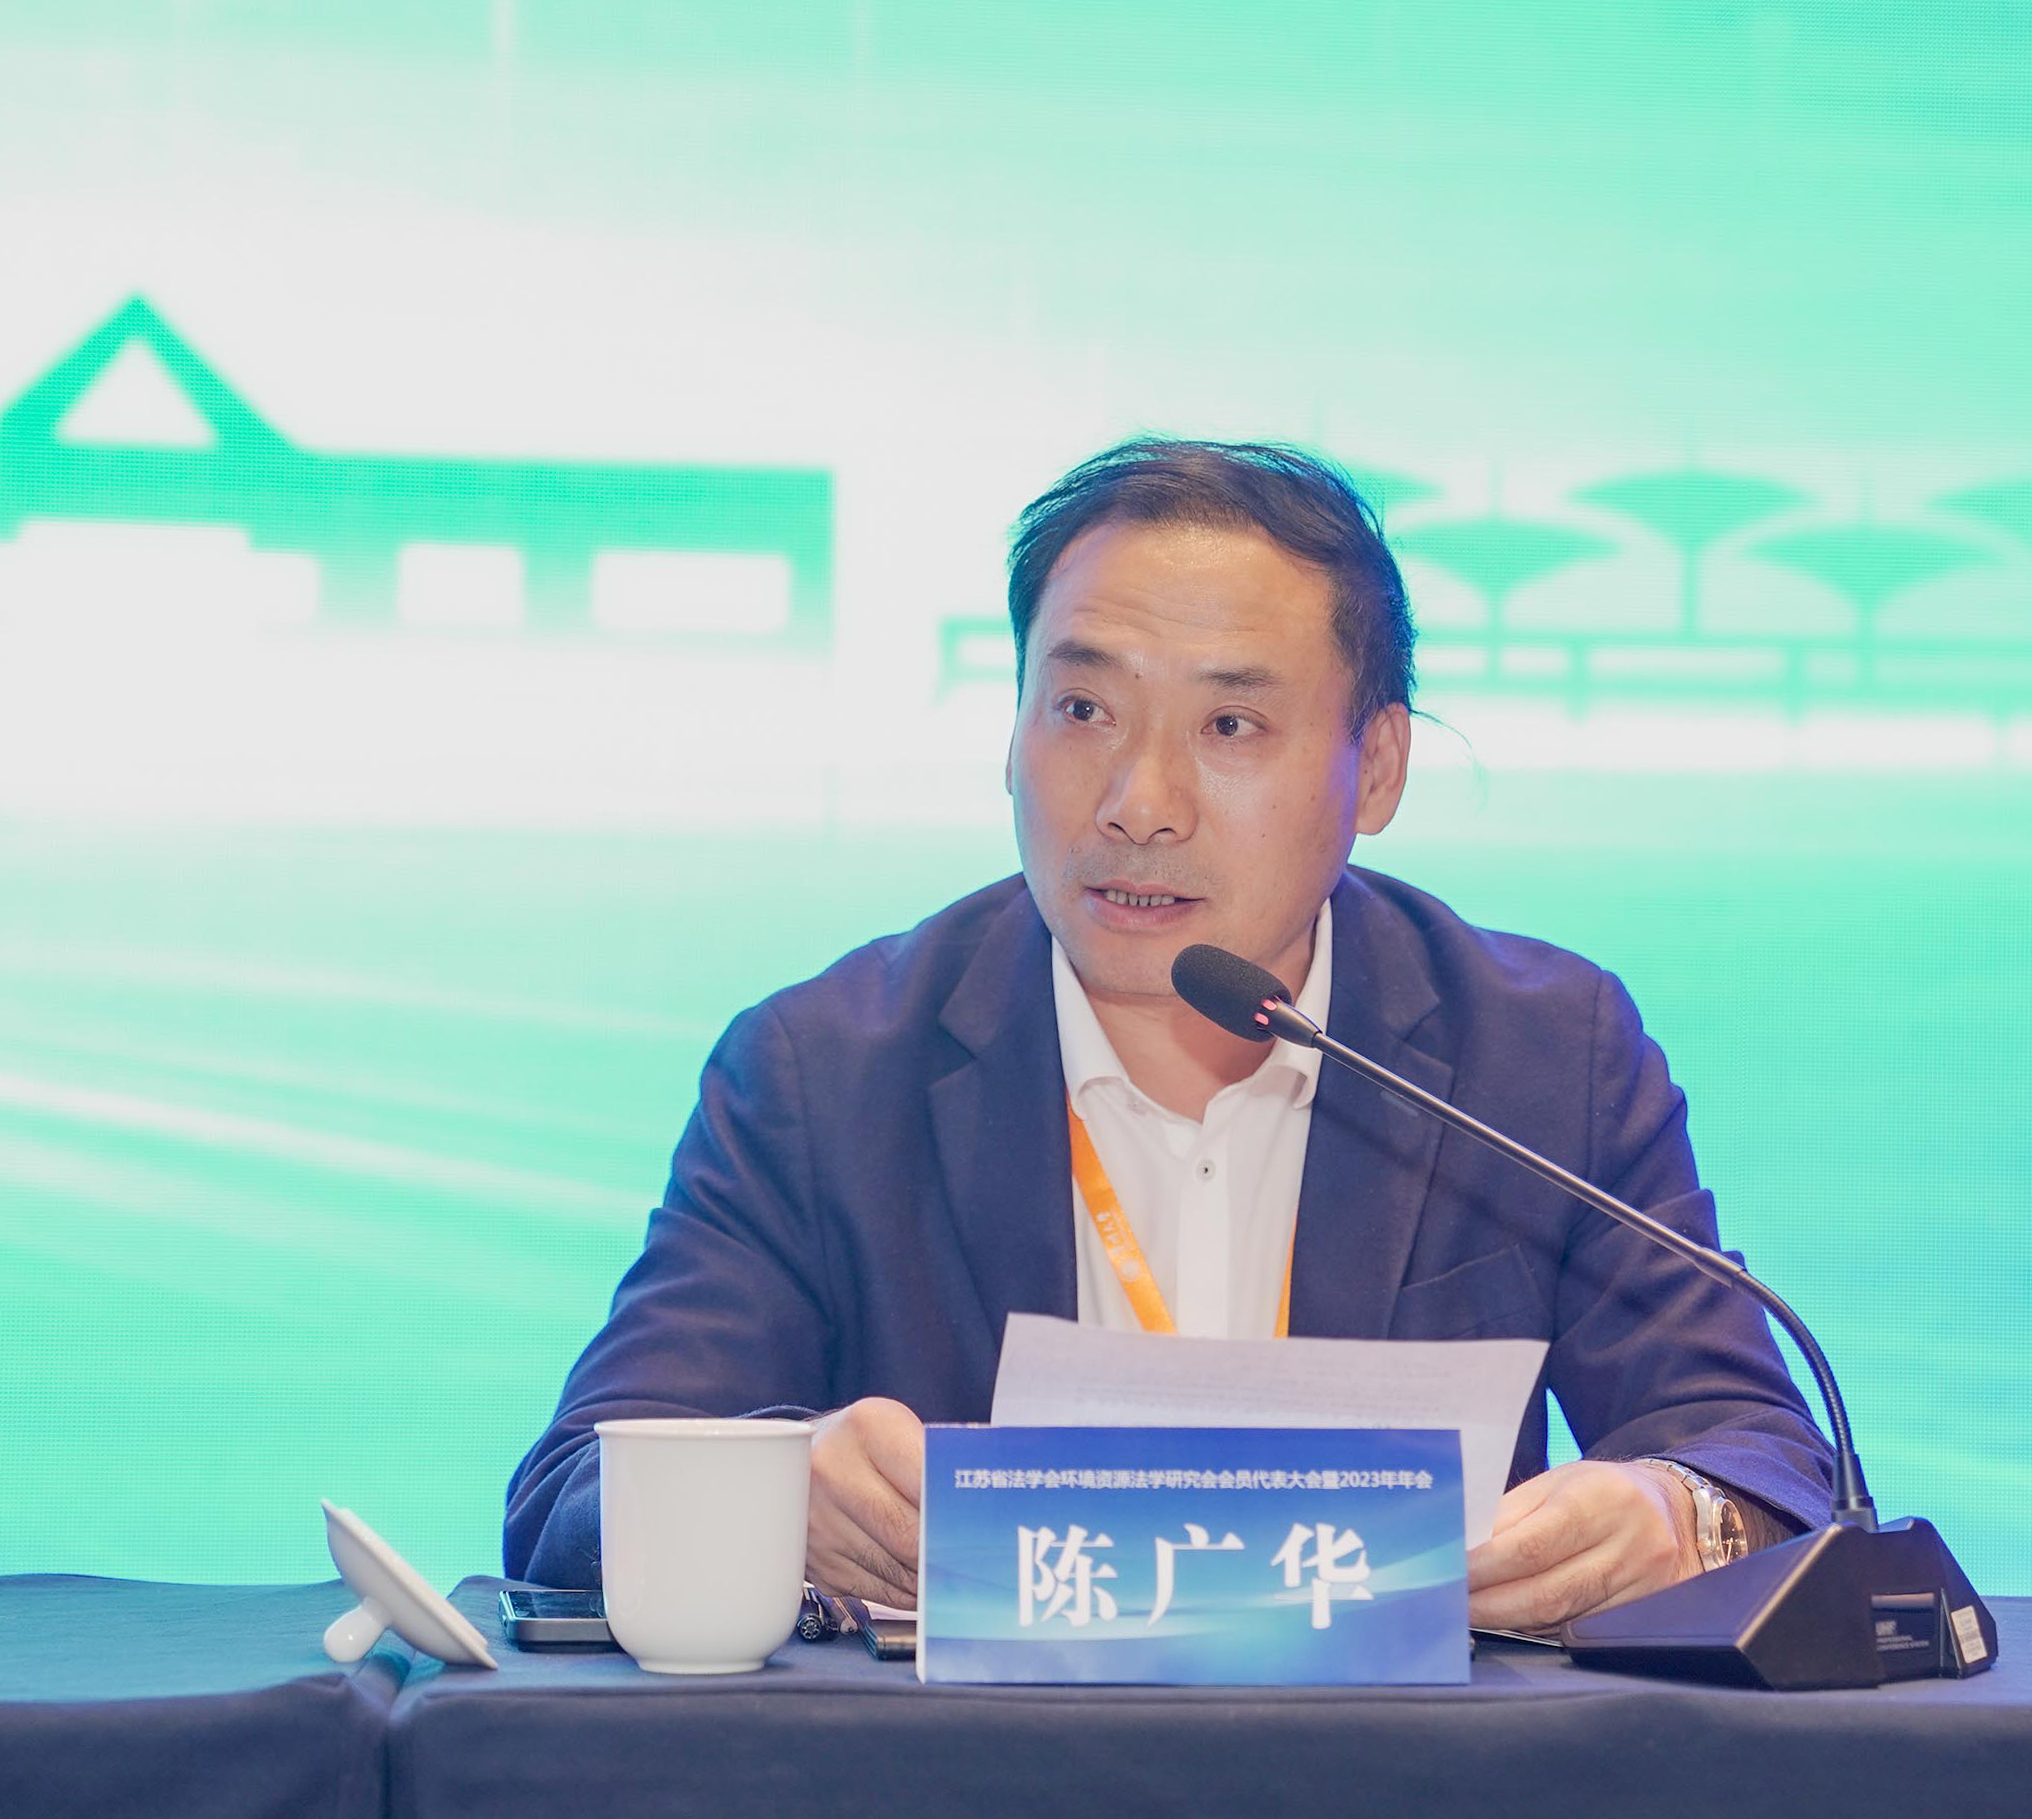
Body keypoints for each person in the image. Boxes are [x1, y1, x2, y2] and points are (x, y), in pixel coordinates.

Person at [506, 438, 1832, 1632]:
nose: (1139, 804)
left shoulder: (1540, 1054)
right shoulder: (826, 1071)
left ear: (1376, 769)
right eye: (1083, 710)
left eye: (1229, 725)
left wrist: (1672, 1516)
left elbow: (1758, 1457)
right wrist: (781, 1493)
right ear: (1012, 735)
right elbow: (571, 1497)